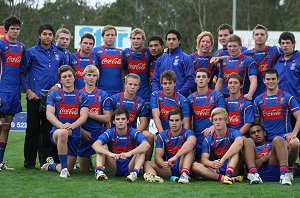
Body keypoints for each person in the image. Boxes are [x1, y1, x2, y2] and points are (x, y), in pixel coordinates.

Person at [21, 24, 66, 169]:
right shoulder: (30, 52)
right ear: (39, 35)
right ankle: (29, 162)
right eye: (44, 34)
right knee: (32, 129)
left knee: (47, 131)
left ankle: (46, 162)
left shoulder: (59, 54)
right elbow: (23, 73)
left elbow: (65, 74)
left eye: (50, 34)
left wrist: (58, 86)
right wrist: (28, 91)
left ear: (53, 37)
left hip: (52, 99)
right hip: (35, 97)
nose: (47, 36)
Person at [41, 65, 89, 178]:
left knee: (69, 168)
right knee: (63, 133)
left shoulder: (82, 95)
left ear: (74, 77)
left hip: (75, 133)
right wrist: (62, 127)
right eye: (64, 76)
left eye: (69, 76)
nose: (67, 78)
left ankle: (51, 165)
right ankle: (64, 171)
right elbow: (49, 114)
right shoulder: (54, 94)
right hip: (58, 132)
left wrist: (71, 126)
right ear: (60, 79)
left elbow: (84, 116)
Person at [254, 69, 300, 177]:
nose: (271, 81)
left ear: (278, 80)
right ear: (264, 81)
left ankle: (290, 169)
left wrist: (294, 133)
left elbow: (299, 116)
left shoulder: (288, 97)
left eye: (273, 79)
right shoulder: (258, 100)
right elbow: (257, 122)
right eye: (268, 79)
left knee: (295, 143)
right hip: (267, 138)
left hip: (284, 136)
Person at [92, 108, 150, 182]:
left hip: (130, 165)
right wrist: (110, 154)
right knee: (102, 148)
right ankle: (99, 171)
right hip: (114, 165)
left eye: (123, 119)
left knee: (141, 150)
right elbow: (95, 145)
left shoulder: (133, 132)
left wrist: (130, 153)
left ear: (128, 120)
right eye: (118, 119)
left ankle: (134, 173)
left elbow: (146, 145)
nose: (120, 121)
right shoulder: (110, 132)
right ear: (113, 121)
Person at [192, 107, 243, 185]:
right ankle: (223, 178)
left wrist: (223, 159)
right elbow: (204, 160)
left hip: (233, 166)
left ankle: (228, 174)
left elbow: (239, 143)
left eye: (220, 119)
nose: (218, 122)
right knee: (194, 165)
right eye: (215, 120)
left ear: (226, 120)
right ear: (212, 122)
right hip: (218, 167)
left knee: (235, 149)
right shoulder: (208, 139)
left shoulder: (234, 132)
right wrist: (212, 164)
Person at [143, 109, 196, 184]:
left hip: (183, 164)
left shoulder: (188, 133)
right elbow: (158, 157)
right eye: (171, 120)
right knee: (147, 163)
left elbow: (191, 142)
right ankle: (154, 177)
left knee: (189, 150)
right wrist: (163, 164)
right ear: (168, 121)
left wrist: (176, 156)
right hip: (169, 168)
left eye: (177, 120)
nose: (174, 123)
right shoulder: (162, 136)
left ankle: (184, 175)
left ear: (182, 121)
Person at [0, 16, 25, 170]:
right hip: (2, 90)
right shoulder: (1, 44)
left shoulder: (21, 47)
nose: (15, 31)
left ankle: (0, 162)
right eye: (13, 28)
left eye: (17, 28)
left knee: (7, 126)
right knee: (1, 125)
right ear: (7, 29)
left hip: (15, 93)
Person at [110, 73, 153, 161]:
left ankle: (146, 165)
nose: (132, 87)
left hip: (132, 133)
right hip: (115, 132)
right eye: (130, 84)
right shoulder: (114, 99)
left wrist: (133, 134)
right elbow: (108, 120)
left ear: (138, 87)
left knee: (149, 136)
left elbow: (144, 123)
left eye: (135, 85)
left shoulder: (141, 102)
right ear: (125, 84)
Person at [187, 68, 225, 160]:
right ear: (195, 80)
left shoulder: (217, 96)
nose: (201, 79)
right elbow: (188, 120)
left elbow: (223, 116)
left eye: (204, 77)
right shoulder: (190, 98)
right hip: (197, 135)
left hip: (214, 133)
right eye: (198, 77)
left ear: (208, 79)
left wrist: (213, 128)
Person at [78, 65, 111, 172]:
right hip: (83, 134)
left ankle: (100, 169)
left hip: (98, 133)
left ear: (98, 77)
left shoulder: (103, 94)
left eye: (94, 75)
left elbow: (107, 118)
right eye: (89, 75)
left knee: (103, 149)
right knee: (84, 172)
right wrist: (81, 131)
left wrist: (88, 114)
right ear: (84, 77)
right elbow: (73, 118)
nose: (91, 77)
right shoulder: (78, 94)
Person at [152, 29, 194, 97]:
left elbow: (191, 79)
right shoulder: (160, 59)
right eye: (169, 39)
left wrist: (179, 93)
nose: (171, 42)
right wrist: (156, 94)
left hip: (179, 99)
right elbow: (155, 79)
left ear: (179, 41)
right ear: (166, 41)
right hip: (162, 99)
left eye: (174, 39)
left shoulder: (186, 58)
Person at [215, 34, 258, 100]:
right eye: (230, 46)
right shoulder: (224, 61)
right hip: (226, 98)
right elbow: (220, 82)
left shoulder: (249, 61)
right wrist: (215, 96)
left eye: (235, 46)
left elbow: (253, 80)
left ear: (240, 47)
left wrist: (250, 94)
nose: (232, 49)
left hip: (243, 99)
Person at [244, 24, 281, 98]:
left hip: (270, 93)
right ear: (253, 37)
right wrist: (219, 58)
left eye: (262, 34)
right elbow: (232, 57)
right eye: (257, 34)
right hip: (251, 94)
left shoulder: (275, 50)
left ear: (266, 37)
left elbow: (291, 52)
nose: (259, 36)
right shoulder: (247, 54)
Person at [274, 32, 300, 132]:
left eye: (287, 43)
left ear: (293, 43)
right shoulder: (277, 60)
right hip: (280, 104)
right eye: (283, 43)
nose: (285, 45)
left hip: (297, 103)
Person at [91, 25, 123, 96]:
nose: (110, 37)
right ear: (103, 37)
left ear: (116, 37)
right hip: (101, 91)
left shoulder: (121, 53)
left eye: (112, 35)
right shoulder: (95, 51)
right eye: (107, 35)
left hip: (118, 91)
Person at [122, 28, 151, 102]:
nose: (135, 41)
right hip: (131, 90)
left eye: (138, 38)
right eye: (133, 38)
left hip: (145, 90)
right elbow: (123, 70)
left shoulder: (148, 52)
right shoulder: (125, 52)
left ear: (143, 40)